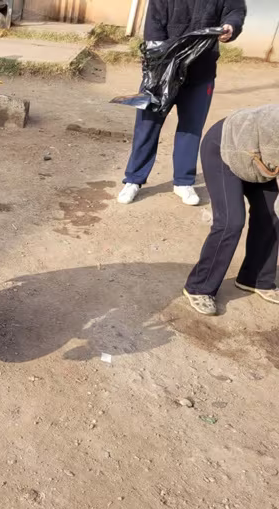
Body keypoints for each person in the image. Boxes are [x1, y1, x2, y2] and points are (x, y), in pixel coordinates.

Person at [118, 0, 247, 206]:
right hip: (162, 72)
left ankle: (183, 182)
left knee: (191, 128)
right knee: (147, 125)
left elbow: (235, 10)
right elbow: (154, 25)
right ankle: (134, 179)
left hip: (201, 73)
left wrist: (231, 26)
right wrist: (162, 64)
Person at [184, 104, 279, 315]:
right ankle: (199, 287)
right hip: (225, 147)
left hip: (258, 157)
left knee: (270, 215)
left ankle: (255, 278)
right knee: (231, 221)